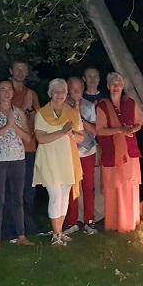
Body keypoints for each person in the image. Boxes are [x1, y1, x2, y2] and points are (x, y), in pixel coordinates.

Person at [0, 80, 35, 250]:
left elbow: (28, 138)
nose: (6, 92)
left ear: (13, 92)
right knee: (0, 199)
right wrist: (6, 127)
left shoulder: (19, 112)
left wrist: (14, 125)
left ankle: (21, 235)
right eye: (2, 89)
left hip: (17, 159)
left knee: (18, 199)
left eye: (9, 89)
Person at [33, 78, 84, 246]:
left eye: (62, 91)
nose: (59, 94)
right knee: (55, 197)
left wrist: (71, 135)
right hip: (49, 160)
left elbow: (80, 137)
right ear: (49, 93)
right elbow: (41, 138)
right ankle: (56, 234)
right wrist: (63, 132)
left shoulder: (73, 112)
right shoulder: (41, 113)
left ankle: (60, 232)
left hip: (68, 160)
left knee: (64, 197)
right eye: (56, 91)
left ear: (66, 93)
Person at [96, 72, 143, 233]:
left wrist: (132, 129)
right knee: (115, 186)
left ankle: (131, 221)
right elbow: (100, 131)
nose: (116, 87)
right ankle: (116, 223)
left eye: (119, 84)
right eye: (113, 84)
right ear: (108, 86)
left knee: (130, 185)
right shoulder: (102, 105)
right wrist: (120, 130)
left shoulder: (130, 102)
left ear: (123, 86)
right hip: (112, 152)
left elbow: (138, 124)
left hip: (130, 151)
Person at [6, 60, 41, 237]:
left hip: (29, 148)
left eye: (24, 69)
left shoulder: (32, 94)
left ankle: (28, 228)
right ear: (11, 70)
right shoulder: (5, 91)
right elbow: (4, 117)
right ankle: (13, 229)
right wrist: (25, 110)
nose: (20, 72)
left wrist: (31, 113)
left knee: (29, 189)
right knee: (12, 190)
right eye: (17, 68)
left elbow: (40, 118)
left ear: (27, 72)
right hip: (10, 149)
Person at [64, 76, 99, 235]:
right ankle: (72, 221)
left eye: (79, 88)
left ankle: (89, 221)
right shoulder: (62, 107)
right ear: (68, 89)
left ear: (83, 89)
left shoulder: (89, 106)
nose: (76, 91)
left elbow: (94, 130)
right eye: (72, 88)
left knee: (88, 187)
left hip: (87, 152)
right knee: (72, 187)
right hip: (69, 153)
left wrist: (80, 116)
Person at [82, 67, 106, 222]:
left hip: (99, 145)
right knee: (81, 180)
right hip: (79, 146)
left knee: (97, 180)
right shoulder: (78, 97)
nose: (92, 79)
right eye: (88, 76)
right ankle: (81, 214)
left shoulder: (105, 99)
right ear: (83, 79)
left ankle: (98, 215)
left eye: (95, 76)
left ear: (99, 79)